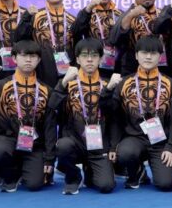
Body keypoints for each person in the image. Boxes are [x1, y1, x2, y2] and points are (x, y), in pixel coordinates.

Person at [0, 40, 56, 192]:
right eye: (23, 56)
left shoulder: (46, 90)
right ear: (14, 58)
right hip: (8, 139)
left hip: (34, 143)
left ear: (39, 60)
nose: (28, 60)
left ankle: (25, 168)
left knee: (34, 185)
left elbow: (50, 126)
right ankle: (11, 175)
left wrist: (50, 159)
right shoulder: (0, 86)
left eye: (33, 56)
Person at [49, 38, 121, 195]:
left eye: (94, 56)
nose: (89, 60)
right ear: (77, 59)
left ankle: (90, 171)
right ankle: (73, 176)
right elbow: (52, 106)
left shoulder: (108, 84)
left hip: (99, 145)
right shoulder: (68, 83)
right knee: (63, 146)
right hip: (75, 142)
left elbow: (115, 118)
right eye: (84, 55)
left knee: (106, 186)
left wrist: (113, 146)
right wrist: (63, 83)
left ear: (101, 59)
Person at [110, 36, 172, 191]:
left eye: (153, 53)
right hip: (135, 138)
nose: (148, 57)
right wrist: (113, 146)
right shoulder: (124, 83)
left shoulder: (171, 83)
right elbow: (115, 117)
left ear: (160, 56)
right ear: (136, 55)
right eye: (144, 52)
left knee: (166, 185)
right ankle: (137, 172)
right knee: (125, 153)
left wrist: (171, 147)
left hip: (161, 141)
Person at [15, 0, 77, 87]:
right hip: (41, 68)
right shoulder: (35, 16)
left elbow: (76, 46)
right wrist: (26, 18)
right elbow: (19, 38)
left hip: (66, 67)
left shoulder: (72, 19)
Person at [73, 0, 123, 77]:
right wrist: (89, 7)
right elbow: (75, 32)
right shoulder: (86, 13)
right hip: (93, 66)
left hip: (118, 66)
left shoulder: (121, 14)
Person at [110, 0, 162, 74]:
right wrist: (131, 15)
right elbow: (114, 40)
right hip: (132, 70)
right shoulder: (126, 15)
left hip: (161, 69)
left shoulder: (162, 14)